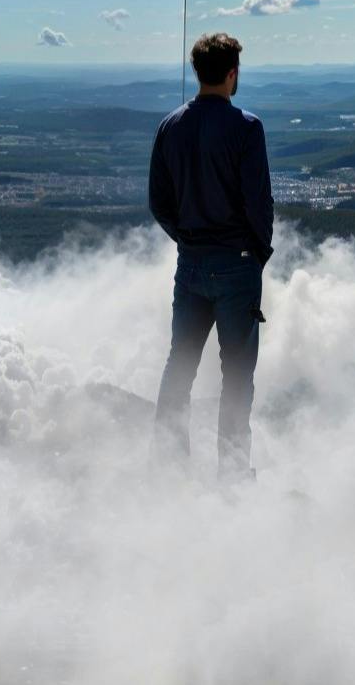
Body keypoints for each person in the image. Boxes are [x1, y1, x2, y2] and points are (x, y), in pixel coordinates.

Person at [149, 32, 275, 478]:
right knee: (236, 378)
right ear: (232, 73)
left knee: (179, 367)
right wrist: (256, 254)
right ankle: (234, 478)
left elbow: (159, 203)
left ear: (197, 72)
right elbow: (259, 204)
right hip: (237, 266)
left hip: (191, 265)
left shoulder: (169, 127)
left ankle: (167, 470)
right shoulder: (247, 128)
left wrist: (186, 239)